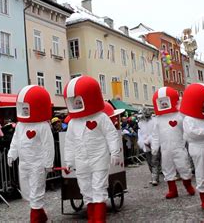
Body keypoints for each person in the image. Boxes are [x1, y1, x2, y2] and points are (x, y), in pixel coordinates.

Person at [63, 76, 122, 222]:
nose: (76, 104)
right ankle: (91, 218)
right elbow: (69, 143)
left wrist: (114, 151)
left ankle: (99, 219)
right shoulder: (72, 123)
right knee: (85, 188)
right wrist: (68, 161)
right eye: (74, 101)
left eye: (79, 101)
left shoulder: (101, 117)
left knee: (99, 187)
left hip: (99, 158)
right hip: (81, 160)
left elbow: (111, 135)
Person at [7, 85, 55, 223]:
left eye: (27, 107)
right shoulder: (21, 125)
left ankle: (35, 220)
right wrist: (12, 153)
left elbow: (48, 145)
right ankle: (42, 216)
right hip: (24, 163)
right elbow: (16, 140)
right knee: (28, 193)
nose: (24, 110)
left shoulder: (43, 125)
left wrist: (48, 163)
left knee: (36, 193)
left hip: (38, 164)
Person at [151, 87, 195, 199]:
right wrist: (155, 147)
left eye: (166, 102)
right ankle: (172, 190)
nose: (164, 105)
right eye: (162, 103)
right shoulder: (158, 119)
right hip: (165, 149)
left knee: (184, 166)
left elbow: (187, 129)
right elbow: (155, 134)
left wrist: (191, 139)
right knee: (167, 168)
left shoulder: (180, 116)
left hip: (179, 147)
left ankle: (188, 185)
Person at [138, 107, 162, 186]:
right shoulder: (140, 123)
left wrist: (149, 140)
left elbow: (156, 132)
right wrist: (143, 141)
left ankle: (155, 178)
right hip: (145, 145)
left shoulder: (155, 121)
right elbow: (140, 133)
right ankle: (153, 176)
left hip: (154, 143)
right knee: (149, 161)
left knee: (154, 160)